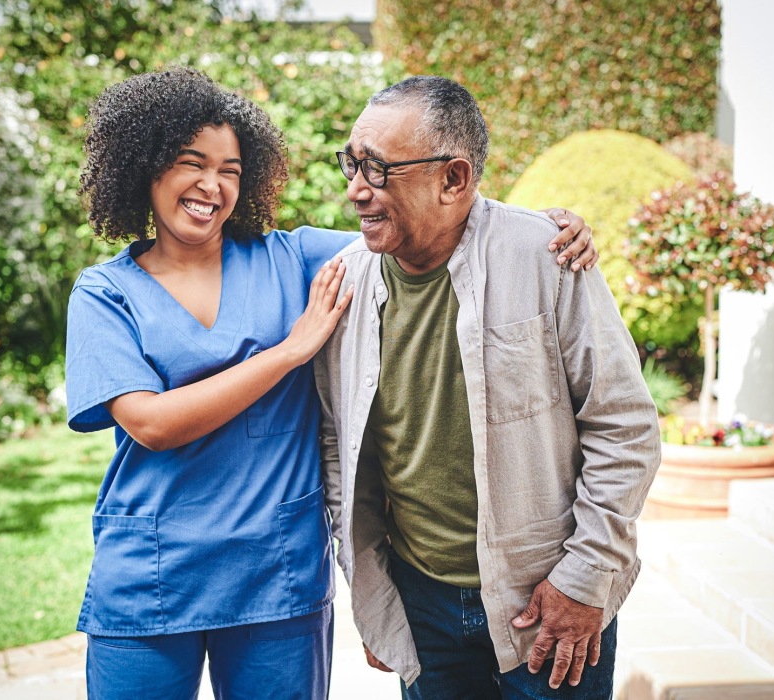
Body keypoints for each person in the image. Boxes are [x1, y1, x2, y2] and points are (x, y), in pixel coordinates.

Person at [65, 68, 599, 700]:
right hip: (151, 579)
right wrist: (290, 352)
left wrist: (542, 228)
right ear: (145, 167)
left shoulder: (296, 259)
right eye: (191, 163)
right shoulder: (104, 293)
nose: (212, 185)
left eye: (231, 169)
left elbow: (427, 222)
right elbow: (151, 424)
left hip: (276, 578)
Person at [315, 76, 661, 700]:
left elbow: (624, 427)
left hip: (548, 600)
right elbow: (339, 448)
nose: (355, 189)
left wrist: (586, 576)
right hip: (419, 603)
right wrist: (374, 595)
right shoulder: (345, 283)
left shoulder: (546, 255)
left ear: (454, 179)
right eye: (353, 163)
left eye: (379, 169)